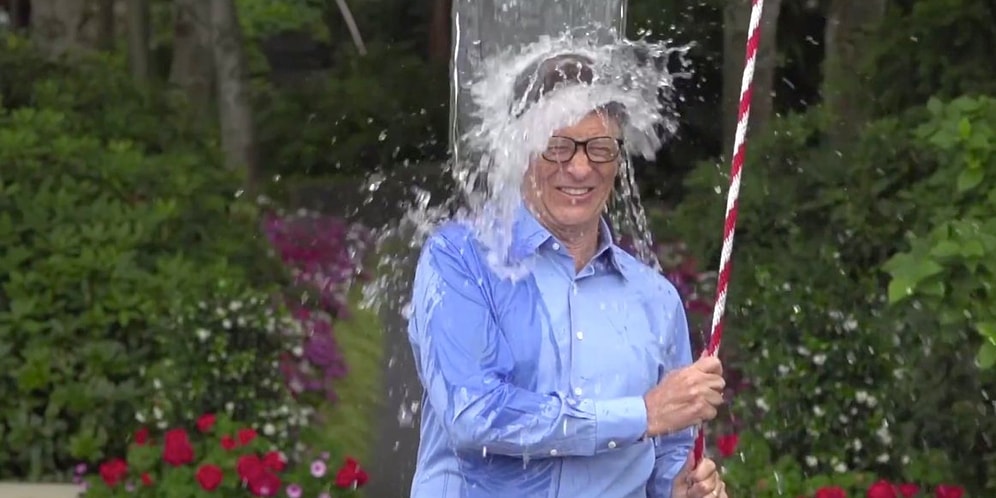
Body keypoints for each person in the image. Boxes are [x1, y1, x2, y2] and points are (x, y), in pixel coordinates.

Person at [407, 53, 729, 498]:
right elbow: (474, 414)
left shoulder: (655, 299)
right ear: (521, 148)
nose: (580, 168)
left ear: (619, 159)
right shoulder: (460, 260)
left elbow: (668, 458)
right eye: (557, 145)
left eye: (600, 148)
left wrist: (684, 487)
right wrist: (642, 414)